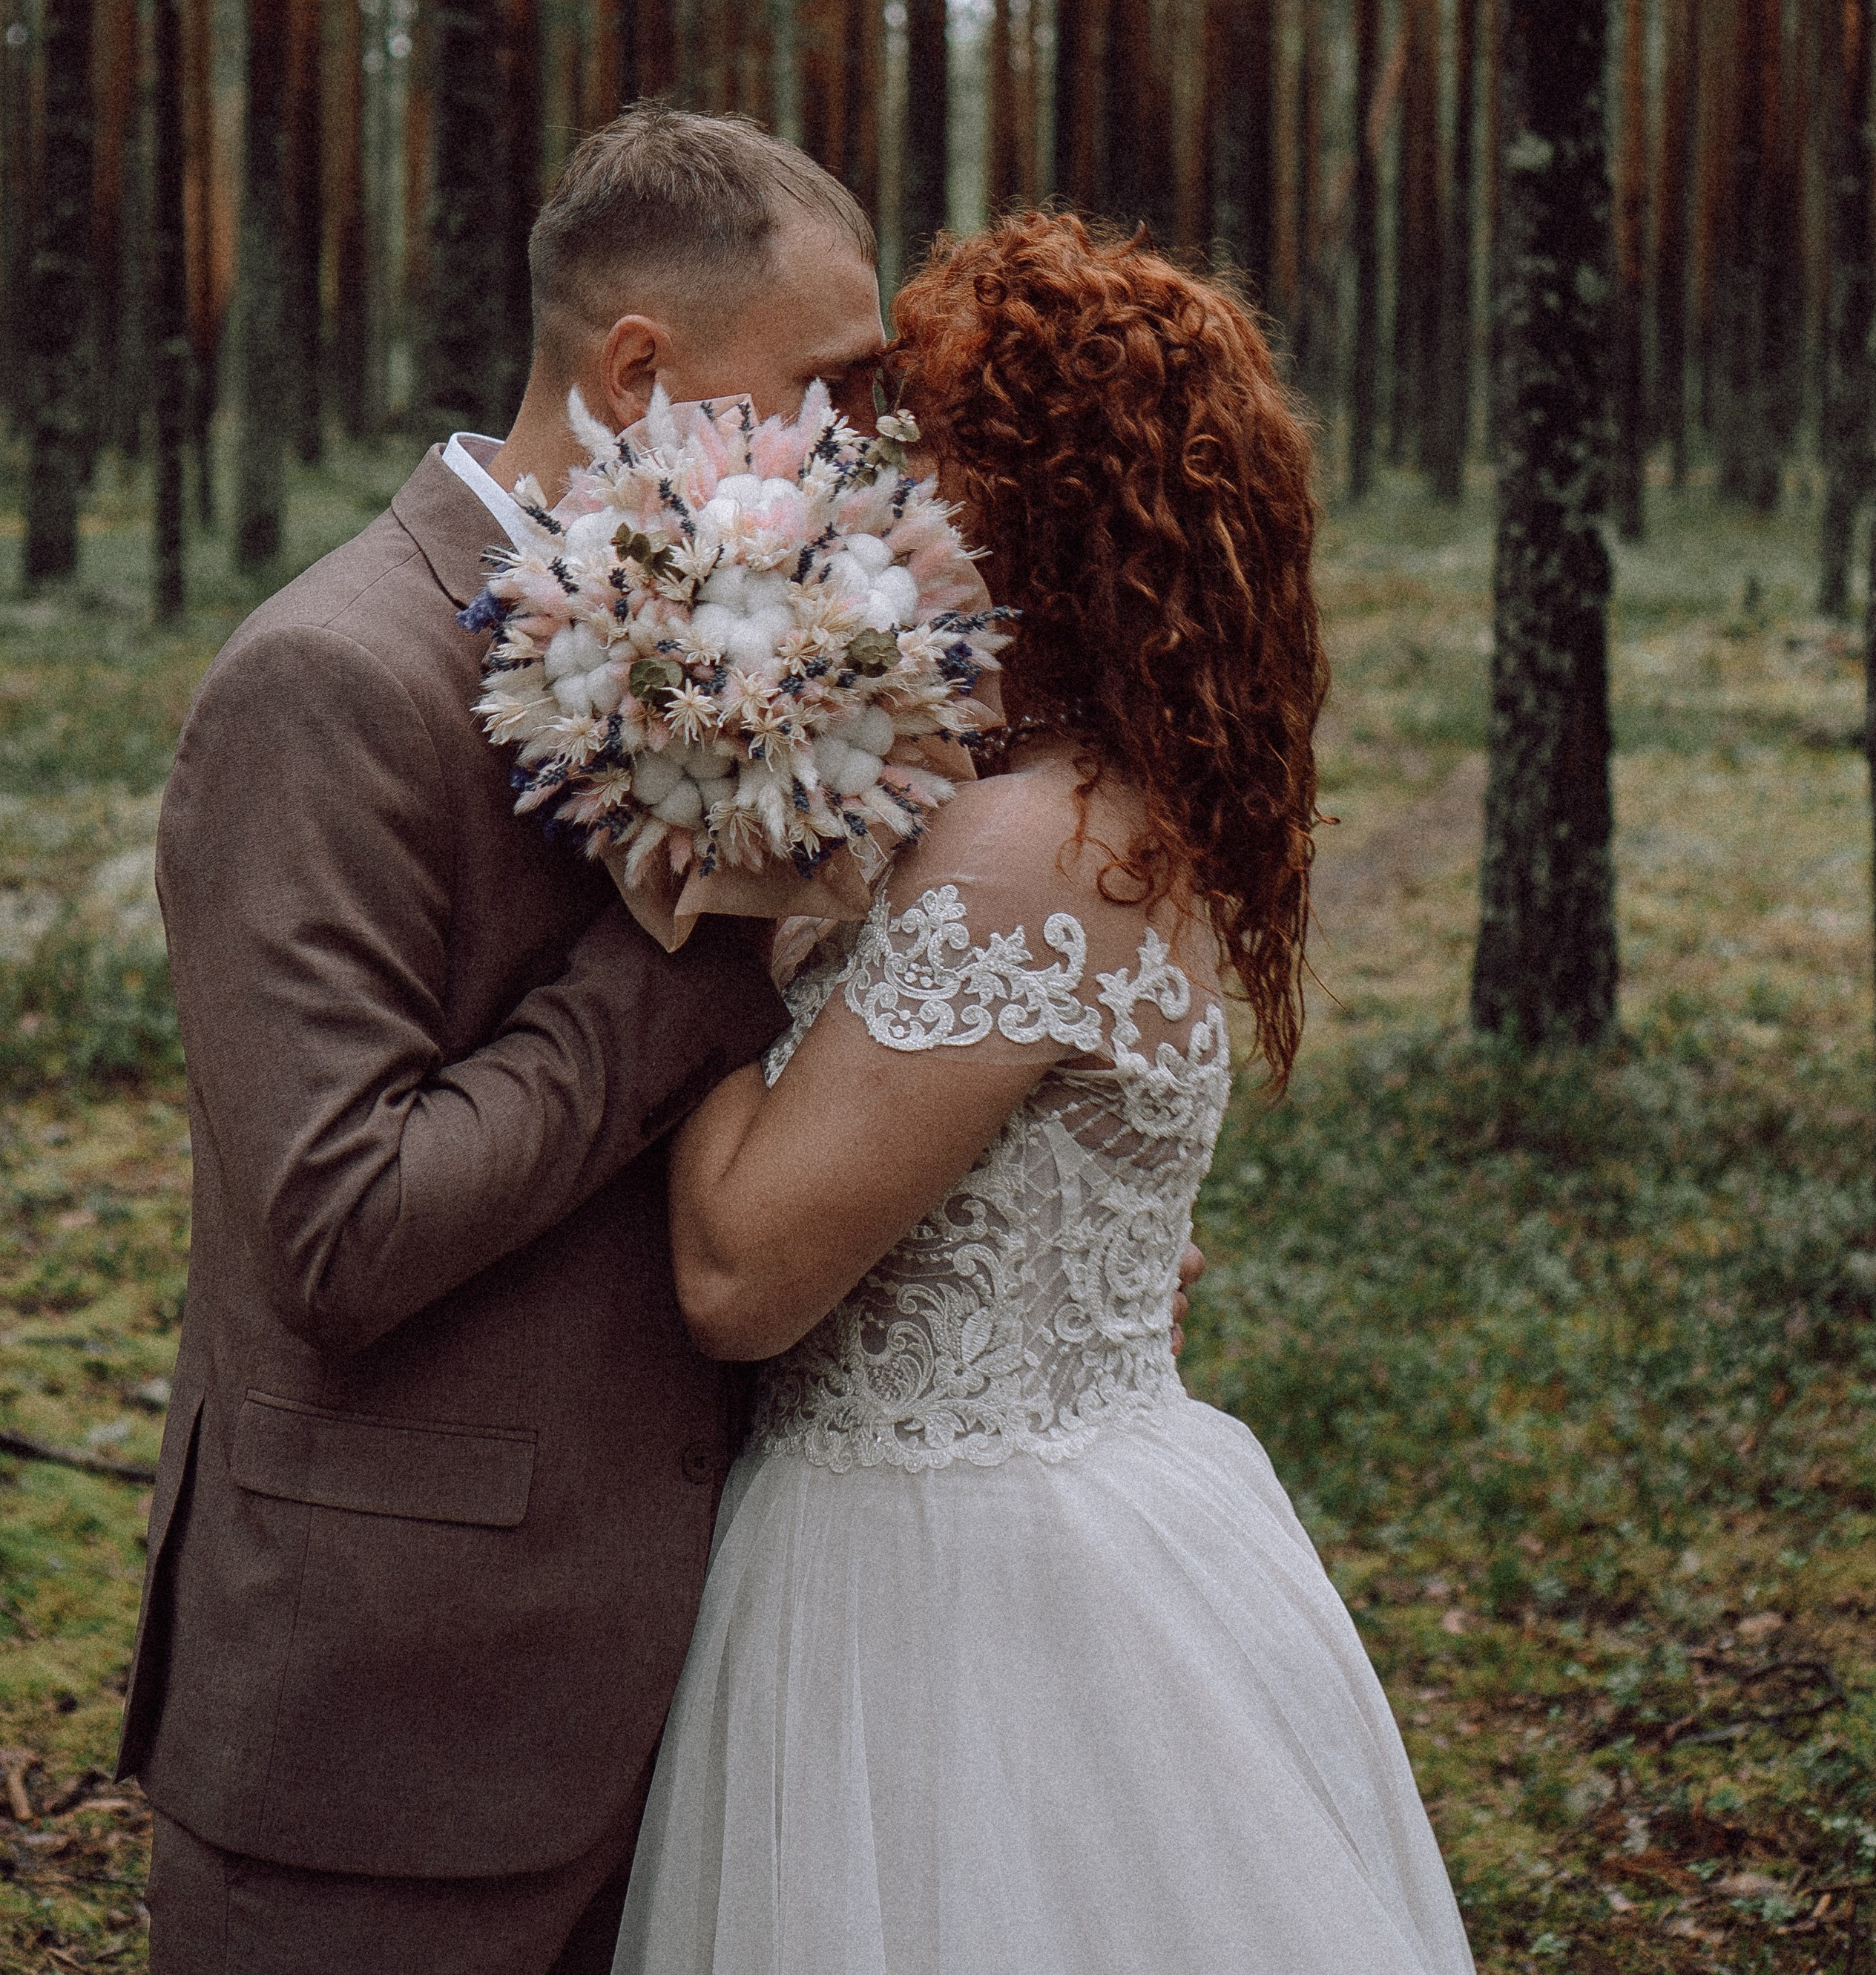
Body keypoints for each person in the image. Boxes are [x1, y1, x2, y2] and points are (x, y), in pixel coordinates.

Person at [614, 213, 1476, 1975]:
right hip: (1046, 1509)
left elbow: (736, 1277)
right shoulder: (1067, 803)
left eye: (928, 453)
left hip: (952, 1588)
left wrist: (685, 932)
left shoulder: (1026, 846)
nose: (873, 498)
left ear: (1040, 509)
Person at [119, 110, 894, 1975]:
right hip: (385, 1738)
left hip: (701, 1705)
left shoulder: (758, 649)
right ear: (640, 371)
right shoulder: (331, 682)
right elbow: (339, 1229)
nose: (851, 449)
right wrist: (700, 962)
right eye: (820, 389)